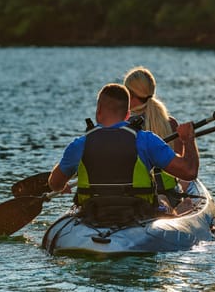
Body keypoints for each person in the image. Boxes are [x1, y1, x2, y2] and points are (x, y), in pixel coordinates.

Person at [48, 83, 199, 213]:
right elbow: (189, 172)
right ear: (127, 115)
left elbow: (54, 184)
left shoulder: (79, 144)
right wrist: (188, 140)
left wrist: (63, 185)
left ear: (98, 110)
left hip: (93, 213)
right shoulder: (147, 140)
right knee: (173, 205)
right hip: (139, 213)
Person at [123, 66, 192, 204]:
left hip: (133, 197)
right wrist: (188, 140)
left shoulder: (122, 126)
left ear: (128, 95)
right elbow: (182, 169)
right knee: (186, 201)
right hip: (170, 194)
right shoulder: (171, 124)